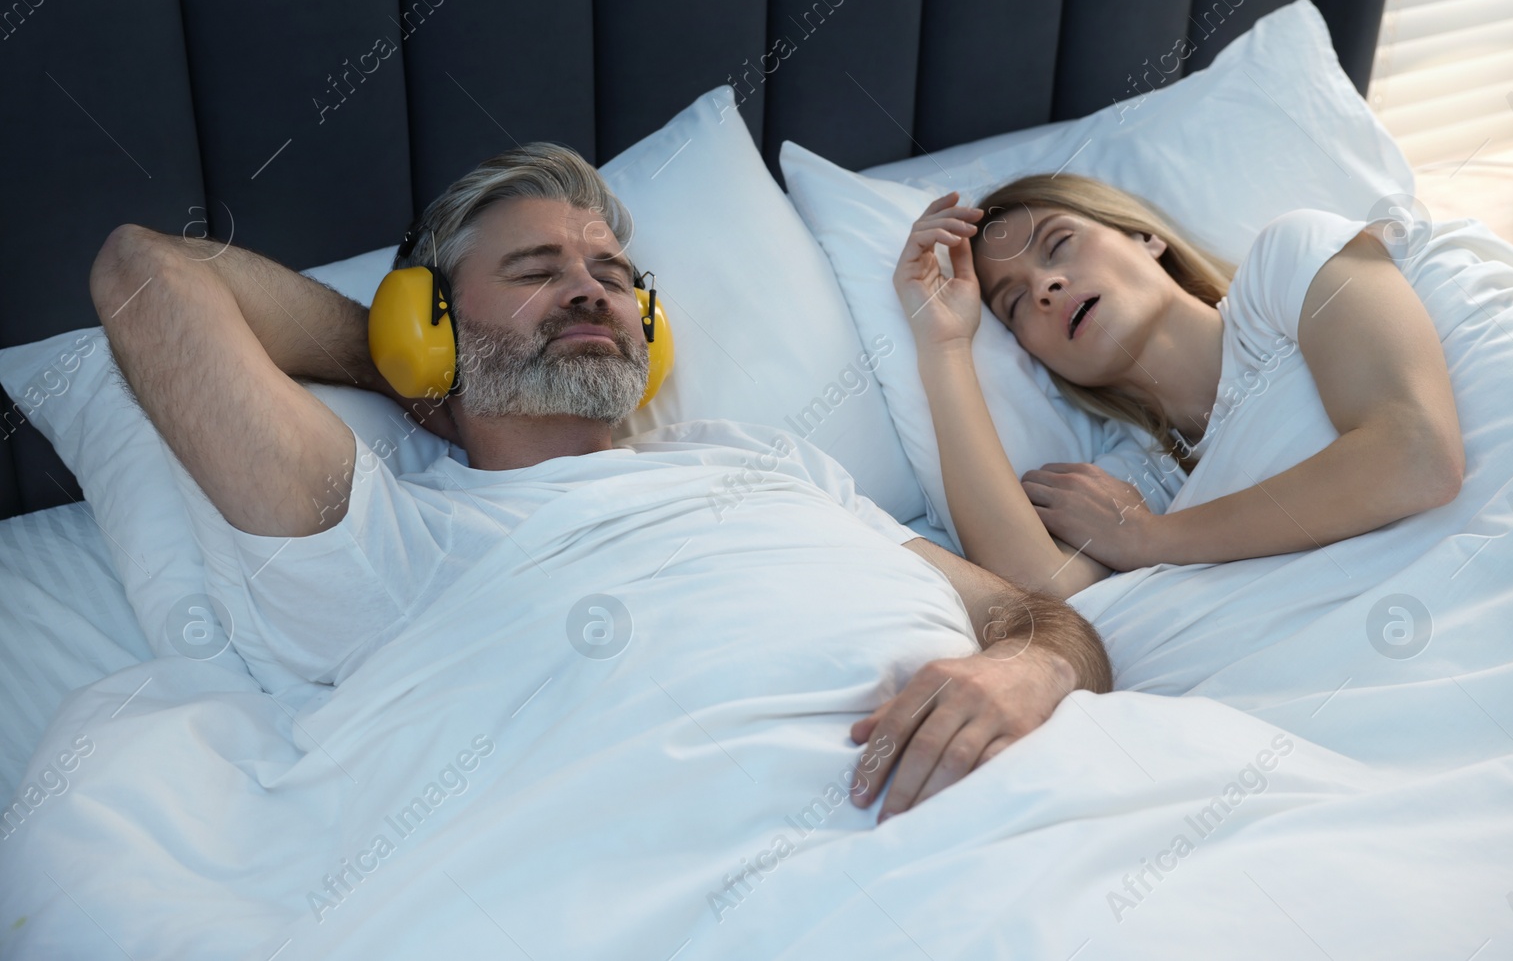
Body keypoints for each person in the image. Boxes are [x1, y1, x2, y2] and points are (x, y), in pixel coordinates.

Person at [88, 143, 1112, 823]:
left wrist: (1026, 673)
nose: (590, 287)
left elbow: (1030, 613)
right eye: (535, 270)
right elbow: (144, 271)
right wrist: (413, 366)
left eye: (615, 277)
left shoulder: (762, 461)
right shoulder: (386, 538)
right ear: (427, 319)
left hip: (1040, 798)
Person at [892, 174, 1466, 599]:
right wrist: (944, 347)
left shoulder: (1286, 266)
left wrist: (1152, 541)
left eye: (1059, 244)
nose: (1046, 285)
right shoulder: (1133, 485)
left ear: (1144, 237)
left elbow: (1417, 457)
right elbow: (1040, 588)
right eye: (1015, 303)